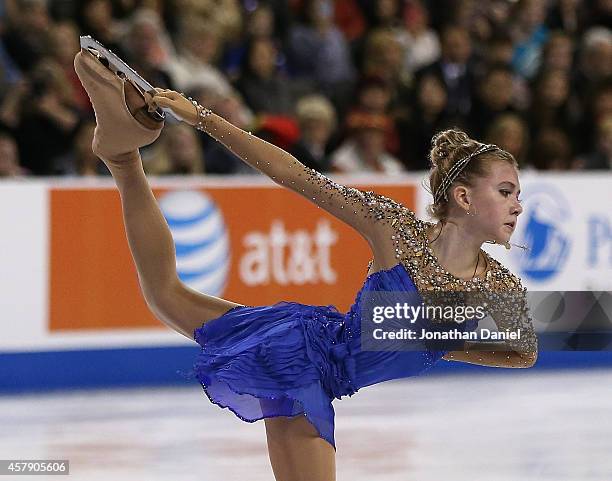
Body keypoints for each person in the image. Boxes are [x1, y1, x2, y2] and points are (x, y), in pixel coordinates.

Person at [74, 47, 538, 481]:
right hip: (303, 361)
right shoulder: (396, 231)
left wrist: (438, 343)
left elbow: (525, 352)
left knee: (164, 297)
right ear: (463, 198)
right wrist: (203, 117)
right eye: (505, 192)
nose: (517, 206)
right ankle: (122, 158)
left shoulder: (498, 287)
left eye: (517, 194)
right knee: (165, 296)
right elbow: (292, 174)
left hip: (320, 358)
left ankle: (120, 154)